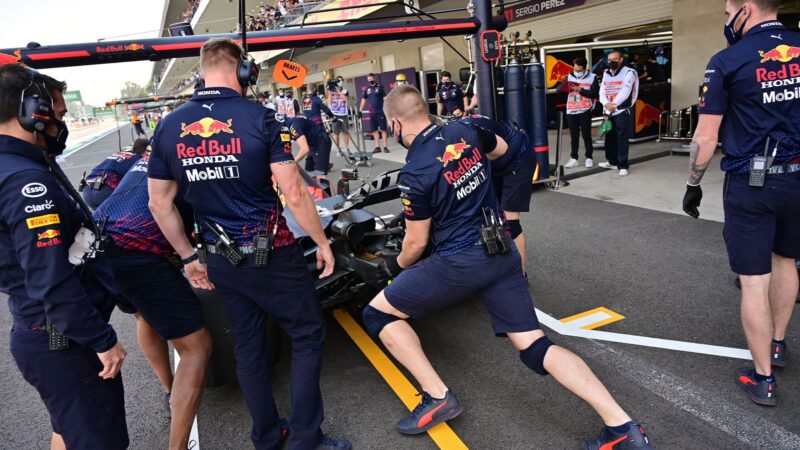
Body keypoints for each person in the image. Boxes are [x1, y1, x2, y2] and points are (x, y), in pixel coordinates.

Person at [362, 85, 653, 449]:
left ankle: (437, 397)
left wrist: (394, 268)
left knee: (378, 315)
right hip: (500, 250)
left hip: (459, 261)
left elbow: (416, 244)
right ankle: (622, 426)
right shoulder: (465, 129)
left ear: (393, 123)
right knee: (533, 344)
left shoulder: (414, 172)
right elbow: (503, 153)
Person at [147, 38, 350, 450]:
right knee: (308, 334)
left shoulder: (168, 125)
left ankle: (267, 437)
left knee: (250, 346)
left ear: (203, 71)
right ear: (243, 71)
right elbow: (294, 192)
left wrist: (188, 258)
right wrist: (321, 241)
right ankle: (306, 439)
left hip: (221, 259)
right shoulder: (262, 117)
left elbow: (159, 202)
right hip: (274, 254)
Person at [0, 64, 128, 450]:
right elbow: (50, 277)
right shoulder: (26, 181)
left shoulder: (20, 167)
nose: (62, 123)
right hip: (65, 341)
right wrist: (101, 339)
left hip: (47, 335)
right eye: (58, 114)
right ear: (33, 112)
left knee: (70, 432)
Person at [682, 0, 800, 407]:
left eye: (727, 12)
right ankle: (779, 345)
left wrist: (693, 183)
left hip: (753, 183)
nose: (726, 20)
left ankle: (763, 377)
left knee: (754, 280)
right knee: (786, 261)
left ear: (746, 9)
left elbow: (707, 135)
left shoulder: (727, 61)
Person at [94, 151, 212, 450]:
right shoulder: (199, 159)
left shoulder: (148, 155)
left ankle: (171, 390)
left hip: (98, 243)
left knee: (143, 315)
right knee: (196, 347)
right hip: (139, 250)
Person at [452, 106, 536, 277]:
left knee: (510, 222)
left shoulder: (467, 135)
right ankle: (497, 266)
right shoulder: (451, 137)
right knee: (488, 215)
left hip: (518, 158)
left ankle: (520, 275)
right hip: (495, 163)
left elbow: (501, 149)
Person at [598, 50, 639, 176]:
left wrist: (613, 104)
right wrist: (606, 104)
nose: (611, 62)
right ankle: (612, 161)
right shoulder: (606, 73)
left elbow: (625, 91)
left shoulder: (629, 72)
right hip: (608, 110)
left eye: (614, 59)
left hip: (621, 110)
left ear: (621, 59)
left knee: (622, 138)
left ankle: (623, 165)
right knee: (609, 137)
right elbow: (602, 91)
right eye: (609, 60)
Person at [81, 137, 149, 208]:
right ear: (145, 151)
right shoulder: (139, 160)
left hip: (88, 189)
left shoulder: (121, 154)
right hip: (105, 190)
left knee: (101, 217)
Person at [558, 57, 599, 169]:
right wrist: (563, 86)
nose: (577, 72)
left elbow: (595, 94)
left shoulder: (592, 77)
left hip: (585, 109)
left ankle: (589, 157)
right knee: (574, 136)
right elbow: (558, 89)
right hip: (571, 109)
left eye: (579, 70)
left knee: (586, 135)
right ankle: (574, 158)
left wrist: (580, 90)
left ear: (585, 68)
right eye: (575, 69)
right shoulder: (570, 76)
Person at [287, 114, 333, 185]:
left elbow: (305, 149)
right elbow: (286, 146)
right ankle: (317, 195)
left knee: (320, 176)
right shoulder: (285, 126)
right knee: (310, 174)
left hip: (321, 142)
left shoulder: (293, 127)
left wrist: (293, 162)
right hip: (313, 145)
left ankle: (331, 196)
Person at [359, 73, 389, 153]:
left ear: (374, 78)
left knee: (383, 129)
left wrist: (387, 109)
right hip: (372, 112)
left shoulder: (380, 88)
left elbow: (385, 99)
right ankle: (377, 147)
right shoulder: (367, 89)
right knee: (374, 130)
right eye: (369, 79)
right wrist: (360, 110)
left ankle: (385, 146)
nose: (370, 80)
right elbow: (363, 100)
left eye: (371, 79)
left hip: (381, 111)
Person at [329, 75, 351, 156]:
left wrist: (338, 91)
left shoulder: (345, 91)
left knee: (345, 132)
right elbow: (329, 102)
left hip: (343, 114)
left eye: (341, 80)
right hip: (334, 114)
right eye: (338, 80)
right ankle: (338, 149)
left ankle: (347, 148)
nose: (340, 82)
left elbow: (346, 99)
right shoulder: (331, 91)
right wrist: (330, 93)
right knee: (336, 133)